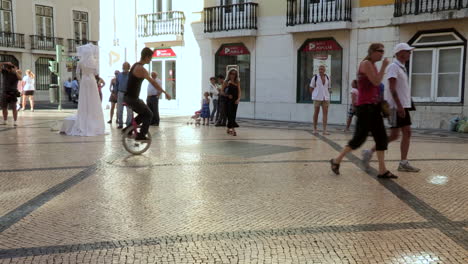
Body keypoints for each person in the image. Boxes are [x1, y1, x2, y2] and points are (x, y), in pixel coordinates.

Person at [330, 43, 396, 179]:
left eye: (383, 51)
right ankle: (336, 160)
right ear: (372, 51)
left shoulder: (373, 65)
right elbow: (377, 82)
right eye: (380, 51)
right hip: (365, 108)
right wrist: (384, 66)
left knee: (381, 138)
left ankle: (382, 170)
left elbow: (376, 86)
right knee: (358, 139)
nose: (382, 53)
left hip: (374, 107)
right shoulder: (366, 63)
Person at [362, 43, 420, 173]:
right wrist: (399, 106)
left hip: (403, 106)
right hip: (395, 107)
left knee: (405, 133)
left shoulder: (401, 67)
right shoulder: (394, 67)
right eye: (407, 51)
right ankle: (369, 152)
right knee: (395, 135)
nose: (410, 53)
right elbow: (392, 88)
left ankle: (403, 162)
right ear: (400, 53)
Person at [124, 47, 172, 141]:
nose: (151, 59)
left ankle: (127, 130)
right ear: (146, 57)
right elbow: (153, 83)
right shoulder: (141, 69)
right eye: (150, 57)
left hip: (128, 97)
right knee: (149, 114)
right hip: (133, 98)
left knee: (143, 114)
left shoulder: (135, 65)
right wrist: (165, 92)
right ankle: (141, 136)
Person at [61, 43, 105, 136]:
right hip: (92, 81)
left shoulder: (80, 62)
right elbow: (96, 72)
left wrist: (80, 81)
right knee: (93, 100)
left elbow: (77, 73)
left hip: (84, 80)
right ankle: (93, 120)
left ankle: (84, 119)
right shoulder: (94, 61)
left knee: (84, 99)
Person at [310, 65, 331, 135]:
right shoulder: (315, 77)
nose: (320, 70)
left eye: (322, 69)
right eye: (319, 69)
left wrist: (329, 92)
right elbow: (311, 87)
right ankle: (315, 129)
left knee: (325, 113)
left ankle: (324, 130)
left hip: (325, 98)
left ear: (324, 70)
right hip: (317, 98)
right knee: (316, 113)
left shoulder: (327, 77)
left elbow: (328, 87)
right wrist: (314, 95)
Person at [1, 62, 22, 126]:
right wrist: (5, 63)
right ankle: (5, 120)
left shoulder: (16, 73)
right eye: (7, 68)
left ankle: (15, 121)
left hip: (13, 92)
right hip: (4, 92)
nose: (8, 70)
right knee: (4, 107)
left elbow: (20, 78)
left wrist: (15, 71)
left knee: (14, 108)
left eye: (9, 68)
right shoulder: (5, 72)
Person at [224, 69, 241, 136]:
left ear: (236, 75)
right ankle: (233, 130)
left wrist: (238, 99)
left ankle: (228, 129)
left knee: (233, 115)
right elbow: (222, 91)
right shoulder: (226, 82)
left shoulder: (237, 82)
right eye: (231, 73)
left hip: (235, 100)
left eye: (234, 74)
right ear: (229, 74)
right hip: (228, 101)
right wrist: (227, 95)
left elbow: (239, 91)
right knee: (230, 115)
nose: (232, 75)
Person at [116, 62, 132, 129]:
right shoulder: (119, 75)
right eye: (123, 66)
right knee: (119, 109)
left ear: (128, 67)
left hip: (128, 94)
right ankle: (120, 124)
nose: (124, 67)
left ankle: (128, 124)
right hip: (120, 93)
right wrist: (115, 92)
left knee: (129, 110)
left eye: (126, 66)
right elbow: (117, 84)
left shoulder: (131, 75)